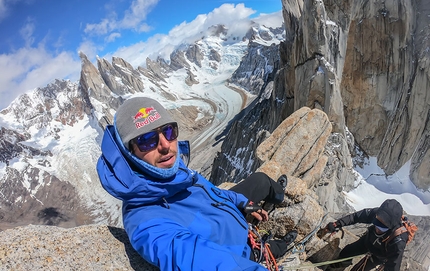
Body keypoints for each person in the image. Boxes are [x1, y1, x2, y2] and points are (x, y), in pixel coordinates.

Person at [96, 96, 297, 271]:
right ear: (129, 153)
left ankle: (279, 196)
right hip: (238, 251)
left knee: (262, 180)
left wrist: (241, 201)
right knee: (276, 247)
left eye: (168, 131)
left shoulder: (172, 171)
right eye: (147, 140)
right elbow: (197, 259)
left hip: (230, 217)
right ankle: (275, 247)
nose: (165, 145)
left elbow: (212, 193)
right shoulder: (145, 221)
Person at [326, 199, 408, 271]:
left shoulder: (398, 241)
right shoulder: (377, 214)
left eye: (383, 226)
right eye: (377, 222)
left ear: (391, 226)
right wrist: (337, 224)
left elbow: (393, 267)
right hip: (367, 242)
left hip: (379, 256)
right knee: (346, 252)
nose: (377, 228)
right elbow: (356, 217)